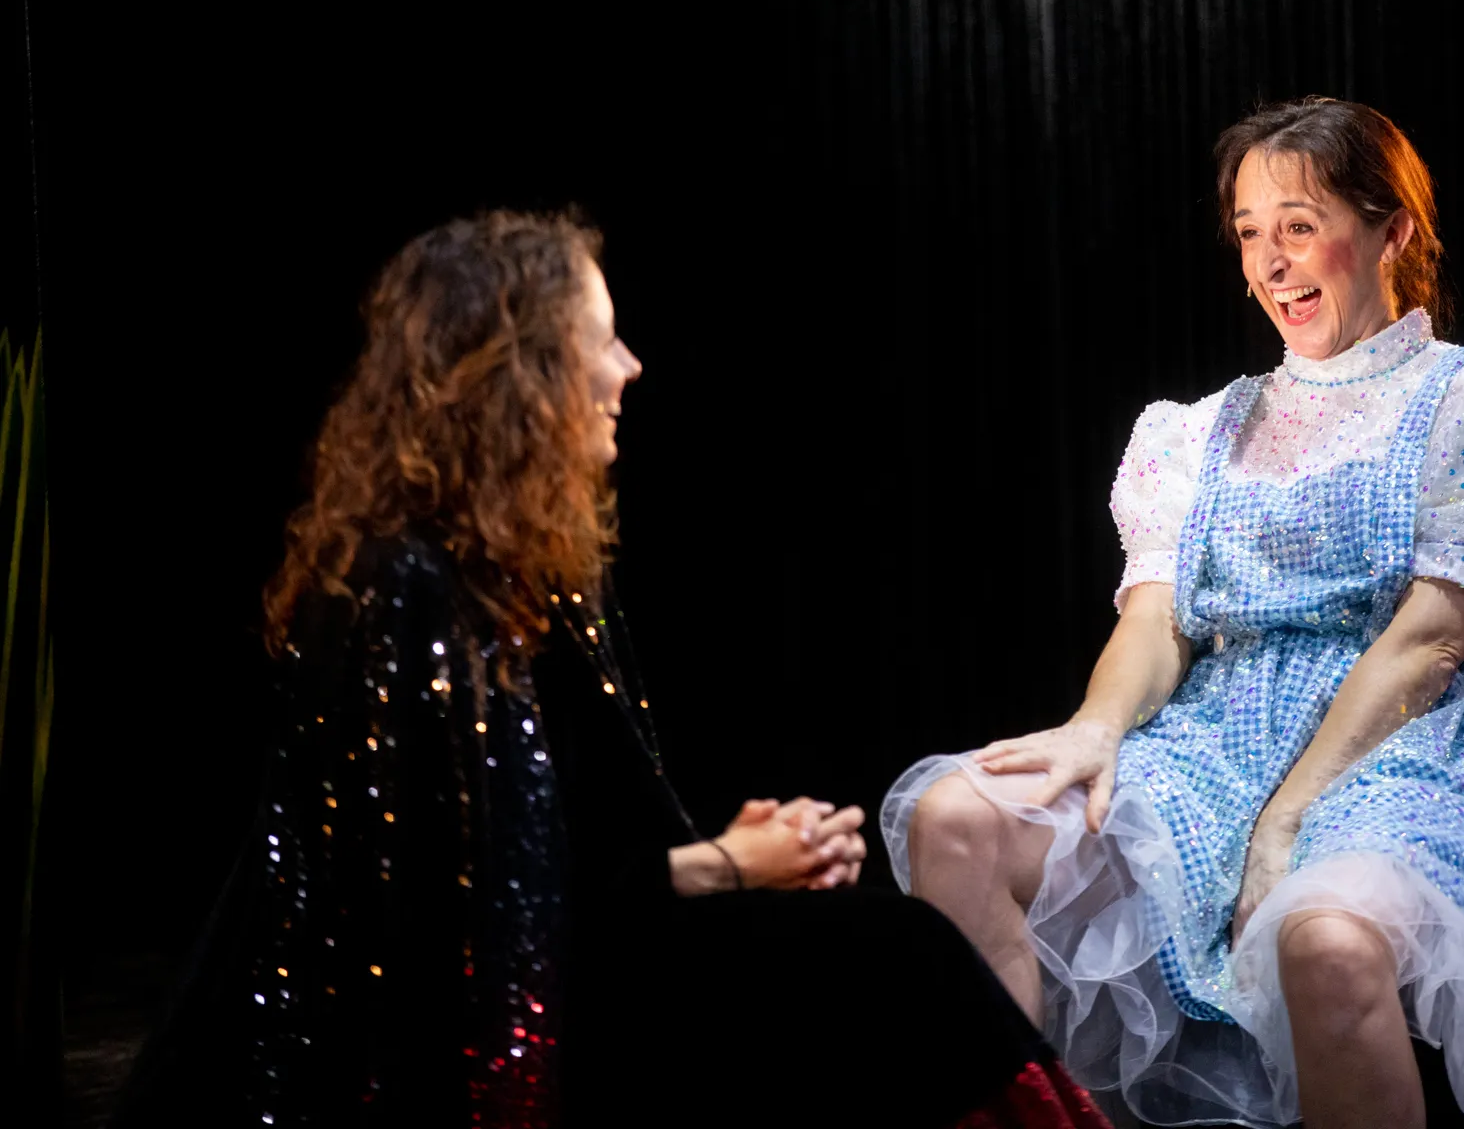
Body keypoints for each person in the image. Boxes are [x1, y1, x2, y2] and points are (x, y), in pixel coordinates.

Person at [113, 210, 1112, 1128]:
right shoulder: (400, 588)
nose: (630, 366)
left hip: (585, 965)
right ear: (524, 373)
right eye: (603, 341)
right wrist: (727, 867)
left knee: (896, 951)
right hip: (483, 1030)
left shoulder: (544, 571)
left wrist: (742, 854)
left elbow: (587, 856)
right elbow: (452, 923)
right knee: (898, 962)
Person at [884, 99, 1464, 1129]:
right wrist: (1095, 727)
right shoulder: (1194, 431)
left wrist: (1285, 820)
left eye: (1301, 225)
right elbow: (1157, 620)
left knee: (1325, 940)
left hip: (1389, 749)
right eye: (1249, 231)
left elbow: (1425, 642)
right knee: (953, 819)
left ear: (1391, 232)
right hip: (1210, 745)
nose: (1271, 260)